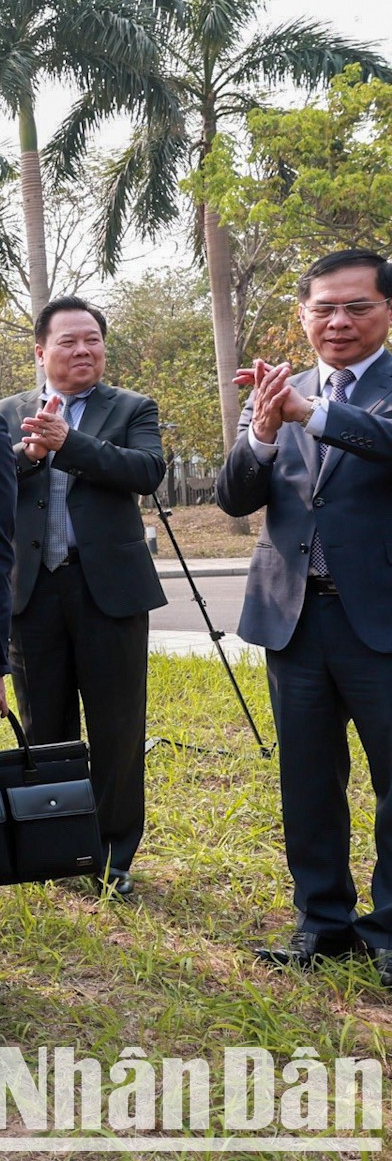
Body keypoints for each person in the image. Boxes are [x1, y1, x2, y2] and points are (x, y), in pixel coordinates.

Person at [216, 248, 392, 984]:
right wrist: (261, 431)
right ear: (303, 315)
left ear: (387, 311)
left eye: (357, 306)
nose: (339, 321)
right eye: (324, 308)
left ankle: (389, 931)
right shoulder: (280, 391)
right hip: (294, 615)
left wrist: (309, 413)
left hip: (380, 620)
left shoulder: (349, 395)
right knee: (309, 779)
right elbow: (234, 497)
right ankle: (321, 921)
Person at [0, 297, 165, 898]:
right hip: (30, 590)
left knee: (118, 726)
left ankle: (115, 852)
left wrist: (68, 443)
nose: (83, 350)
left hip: (109, 591)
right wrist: (28, 454)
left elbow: (146, 471)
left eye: (92, 339)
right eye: (69, 341)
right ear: (41, 351)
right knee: (45, 725)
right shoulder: (7, 412)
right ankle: (59, 846)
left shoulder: (132, 407)